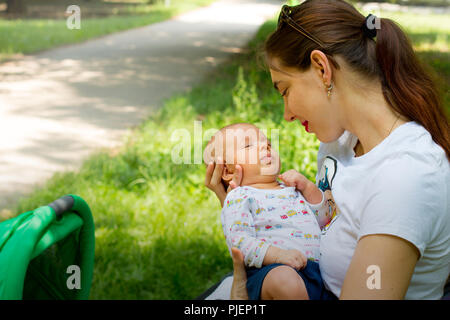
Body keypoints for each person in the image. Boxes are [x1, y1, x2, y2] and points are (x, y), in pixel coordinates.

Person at [204, 0, 450, 300]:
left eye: (285, 90)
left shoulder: (405, 176)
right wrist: (247, 204)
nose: (287, 114)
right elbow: (324, 219)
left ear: (322, 68)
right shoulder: (340, 143)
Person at [204, 122, 335, 300]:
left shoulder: (293, 189)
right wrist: (278, 255)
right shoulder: (239, 197)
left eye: (268, 143)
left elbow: (326, 220)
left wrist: (308, 188)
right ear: (227, 170)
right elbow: (239, 242)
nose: (265, 146)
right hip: (269, 272)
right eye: (249, 145)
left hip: (315, 274)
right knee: (285, 282)